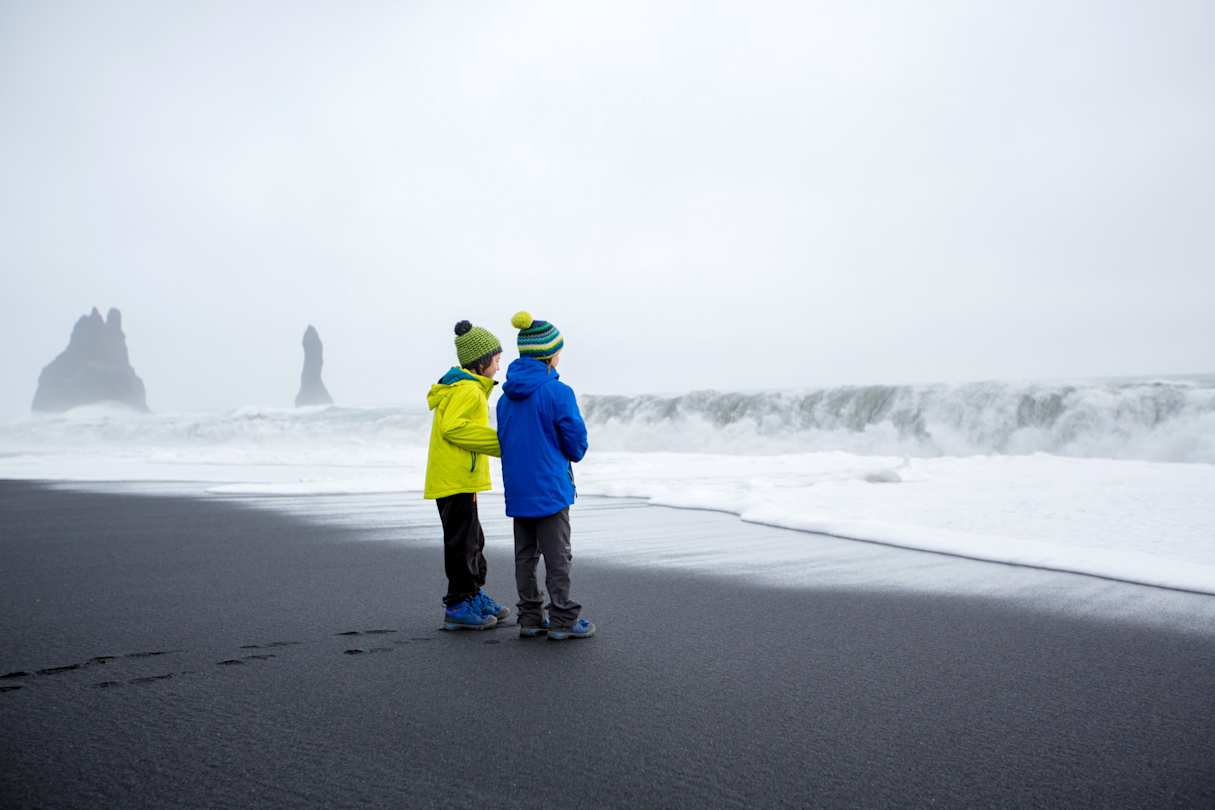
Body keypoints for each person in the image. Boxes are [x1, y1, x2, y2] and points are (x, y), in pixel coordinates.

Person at [497, 311, 594, 640]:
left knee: (525, 555)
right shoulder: (558, 392)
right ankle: (563, 618)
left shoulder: (505, 397)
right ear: (549, 354)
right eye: (558, 351)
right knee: (557, 555)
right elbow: (576, 443)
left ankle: (529, 618)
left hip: (519, 488)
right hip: (550, 487)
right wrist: (573, 451)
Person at [424, 319, 511, 631]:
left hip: (458, 477)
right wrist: (503, 444)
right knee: (462, 542)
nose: (499, 367)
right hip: (455, 478)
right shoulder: (469, 391)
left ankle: (473, 593)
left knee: (473, 539)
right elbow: (454, 428)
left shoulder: (466, 388)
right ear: (482, 361)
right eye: (497, 360)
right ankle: (459, 604)